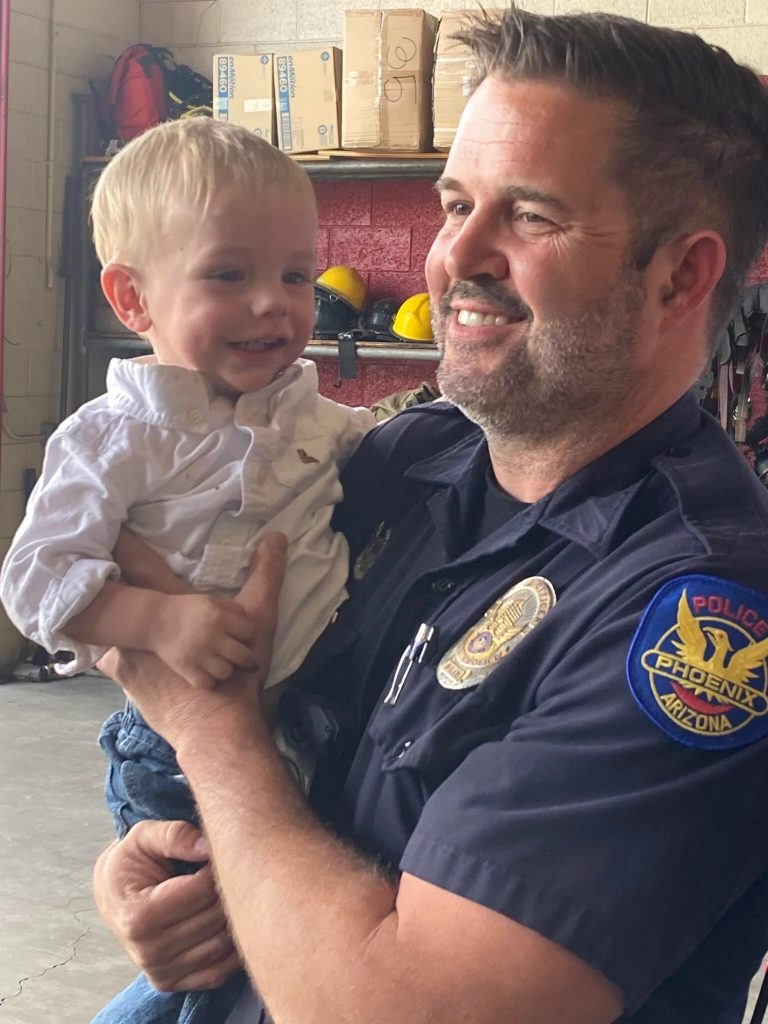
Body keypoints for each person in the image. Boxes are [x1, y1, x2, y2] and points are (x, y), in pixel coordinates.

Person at [92, 7, 768, 1023]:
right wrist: (148, 870)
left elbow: (413, 1007)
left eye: (529, 216)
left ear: (680, 276)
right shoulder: (402, 460)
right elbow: (277, 786)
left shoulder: (699, 616)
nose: (456, 256)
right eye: (456, 204)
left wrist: (206, 727)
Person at [0, 117, 374, 1021]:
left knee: (293, 940)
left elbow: (382, 451)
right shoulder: (112, 438)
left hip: (315, 722)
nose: (273, 304)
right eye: (229, 275)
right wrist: (160, 621)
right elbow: (35, 581)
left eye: (297, 276)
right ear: (133, 298)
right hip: (172, 750)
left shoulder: (313, 415)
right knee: (206, 954)